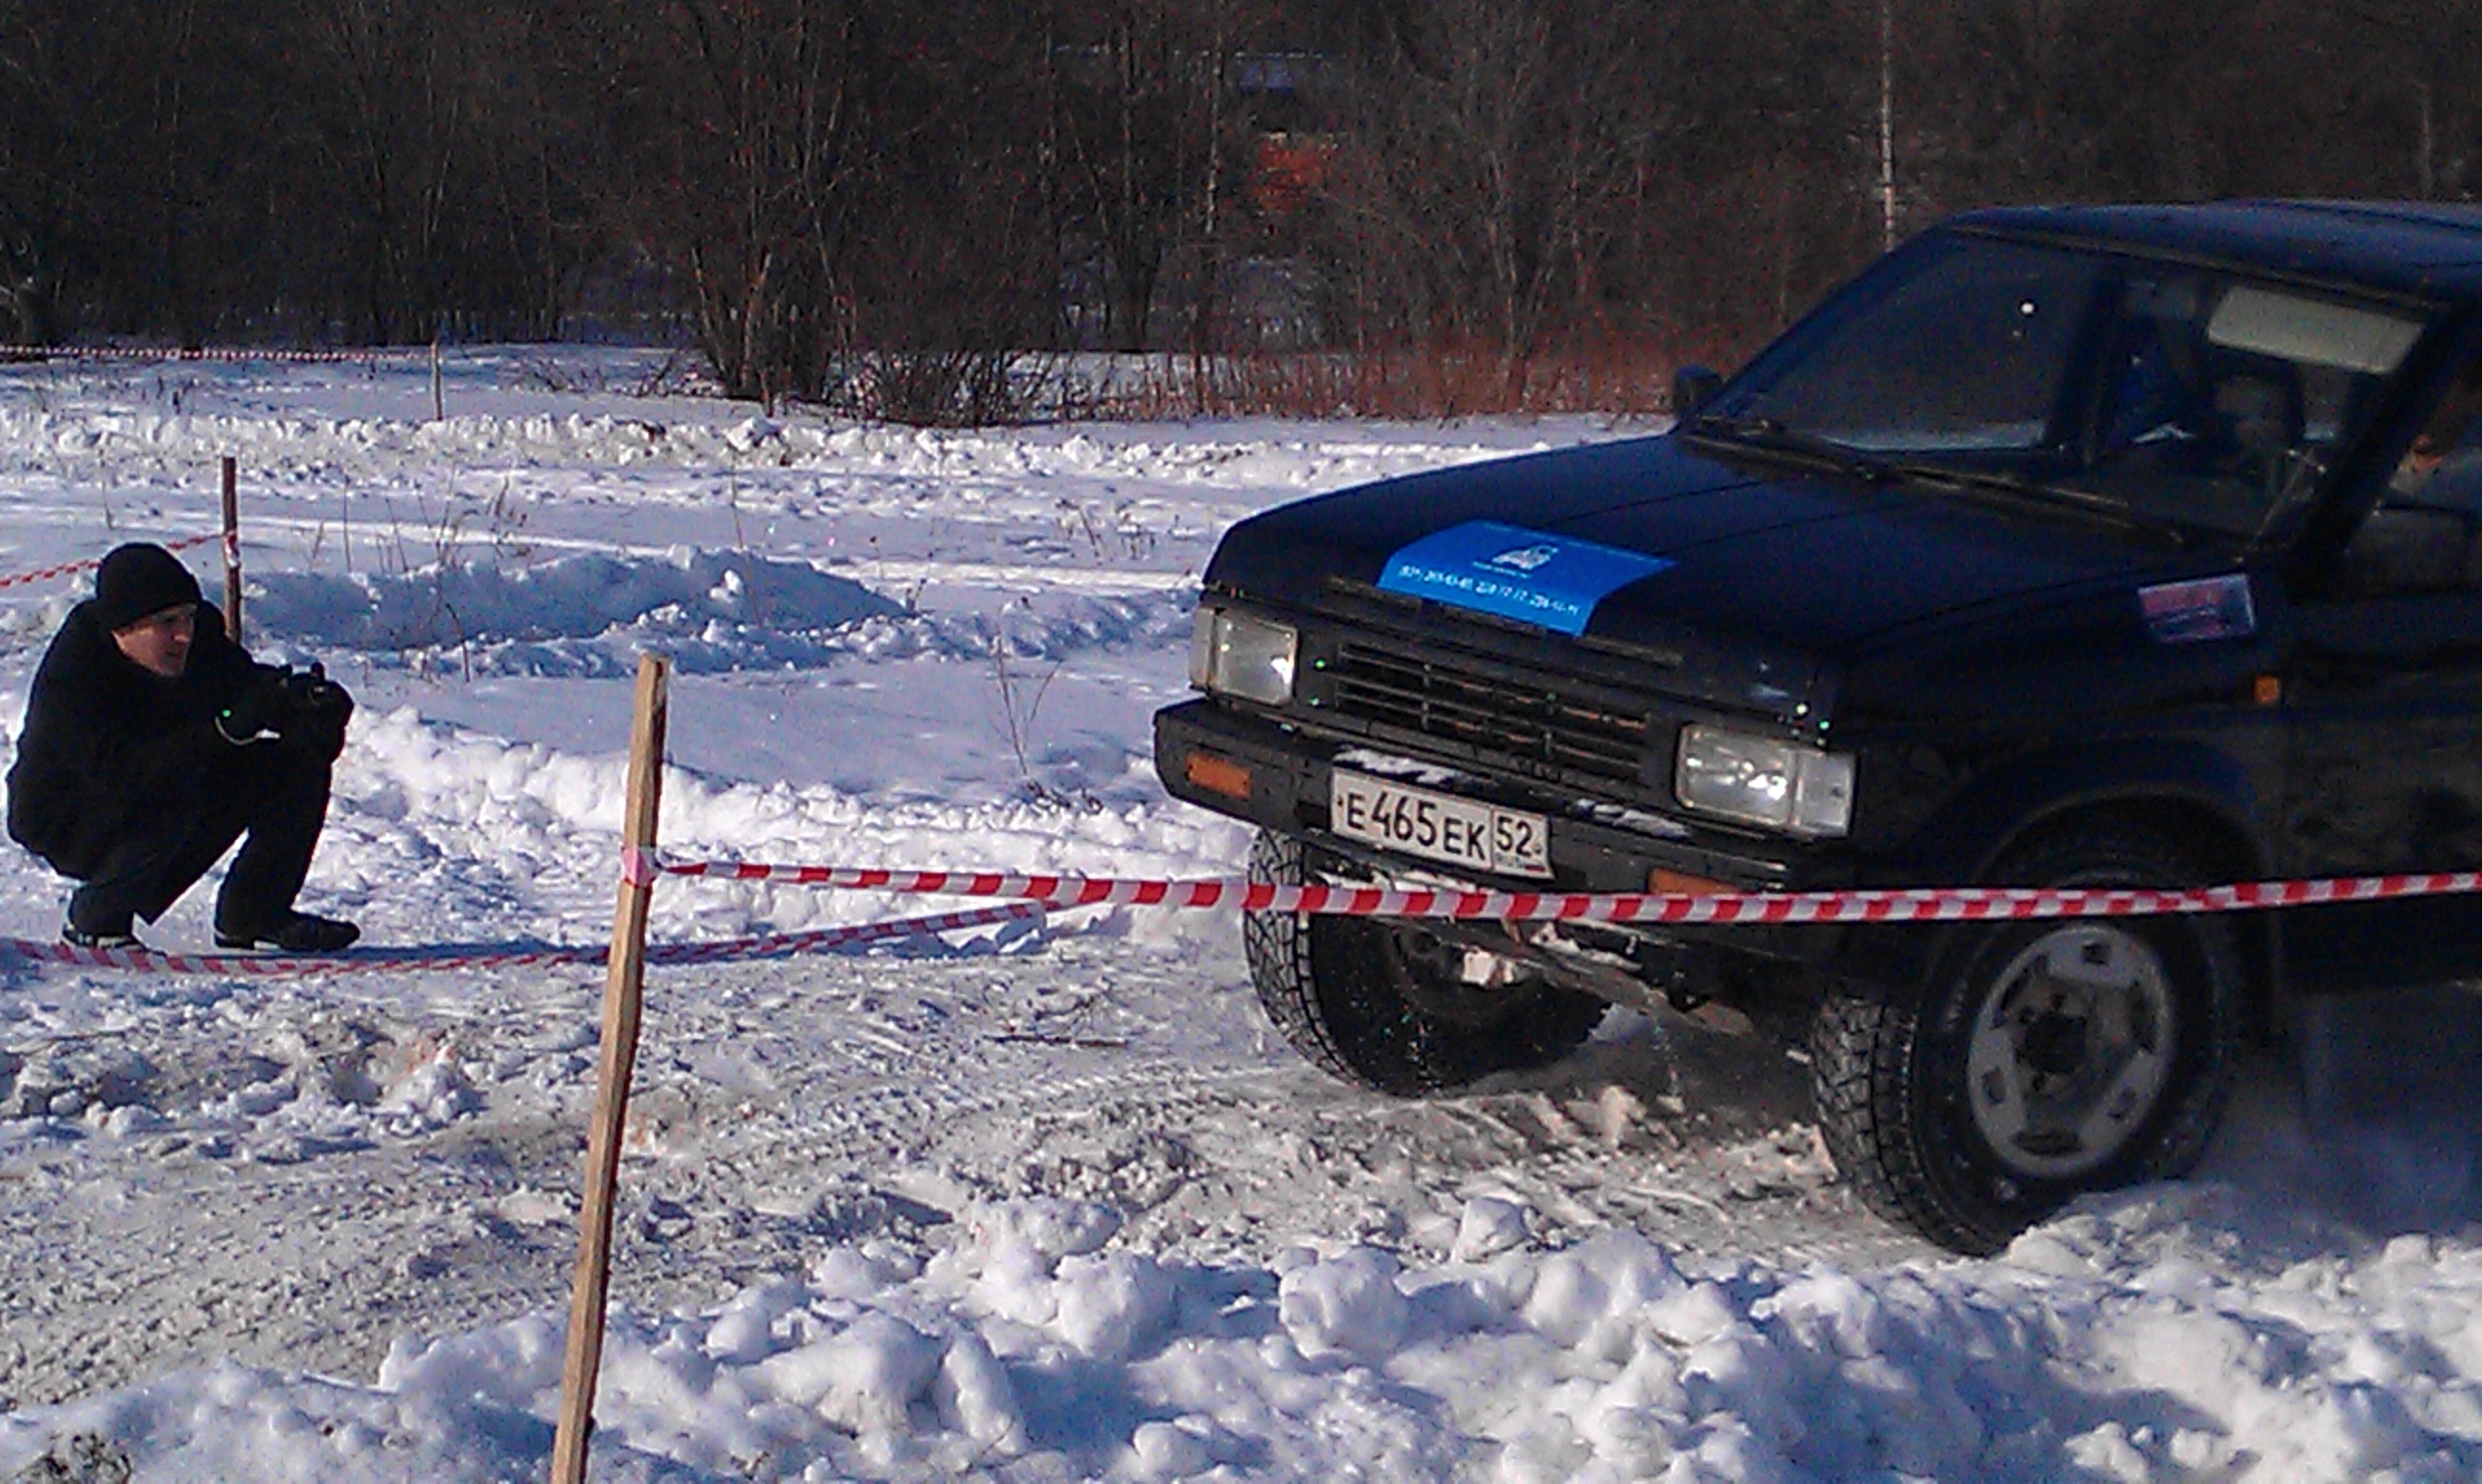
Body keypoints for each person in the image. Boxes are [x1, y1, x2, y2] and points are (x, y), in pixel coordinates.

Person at [5, 542, 359, 952]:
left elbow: (245, 688)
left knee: (293, 767)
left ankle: (254, 914)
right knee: (174, 783)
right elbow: (120, 773)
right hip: (68, 815)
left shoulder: (198, 642)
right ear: (123, 629)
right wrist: (222, 731)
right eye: (166, 622)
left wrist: (305, 709)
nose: (184, 634)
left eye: (189, 617)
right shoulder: (74, 674)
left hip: (159, 788)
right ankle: (97, 917)